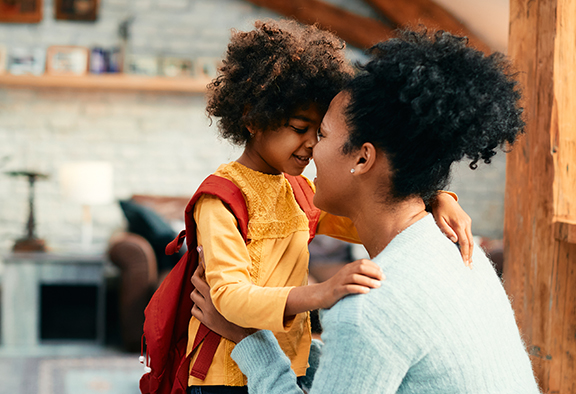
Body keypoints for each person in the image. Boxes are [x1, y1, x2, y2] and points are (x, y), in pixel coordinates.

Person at [190, 29, 541, 393]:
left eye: (322, 134)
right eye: (302, 129)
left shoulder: (365, 312)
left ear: (362, 157)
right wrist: (433, 197)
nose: (311, 149)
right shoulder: (459, 251)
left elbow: (372, 330)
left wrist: (251, 340)